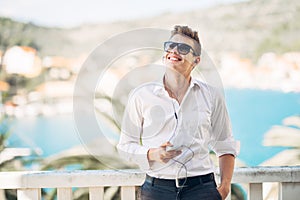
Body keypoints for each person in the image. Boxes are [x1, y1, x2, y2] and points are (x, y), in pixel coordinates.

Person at [117, 25, 239, 200]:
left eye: (183, 48)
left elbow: (225, 144)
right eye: (170, 46)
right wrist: (152, 154)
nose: (174, 51)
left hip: (201, 189)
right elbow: (125, 146)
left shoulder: (211, 96)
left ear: (196, 60)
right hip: (157, 190)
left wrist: (225, 188)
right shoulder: (141, 95)